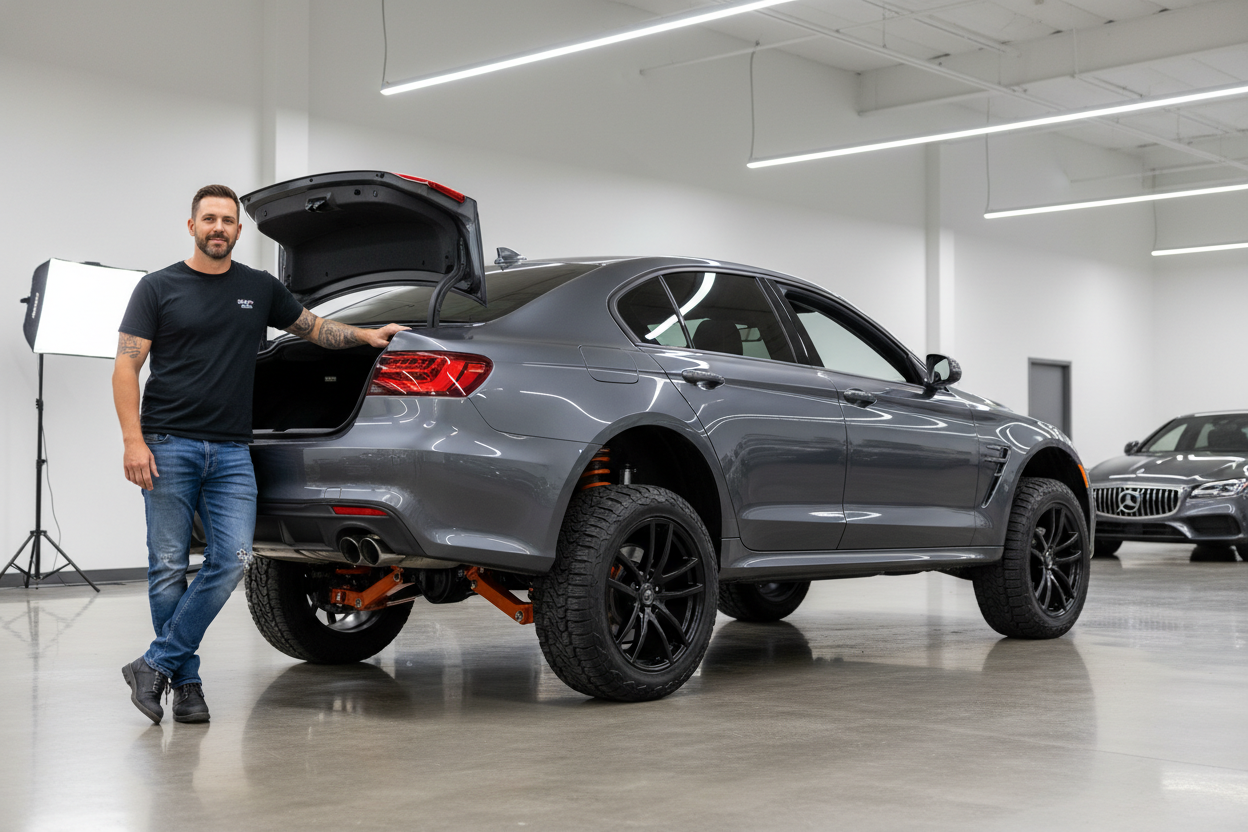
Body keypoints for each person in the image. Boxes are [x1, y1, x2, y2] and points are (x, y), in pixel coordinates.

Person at [114, 184, 407, 724]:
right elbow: (126, 367)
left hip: (231, 451)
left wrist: (368, 335)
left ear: (238, 230)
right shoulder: (157, 288)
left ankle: (154, 663)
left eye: (228, 220)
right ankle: (188, 683)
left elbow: (314, 329)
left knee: (232, 561)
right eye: (209, 219)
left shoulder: (258, 287)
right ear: (192, 226)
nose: (219, 227)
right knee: (167, 567)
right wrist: (133, 440)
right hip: (167, 444)